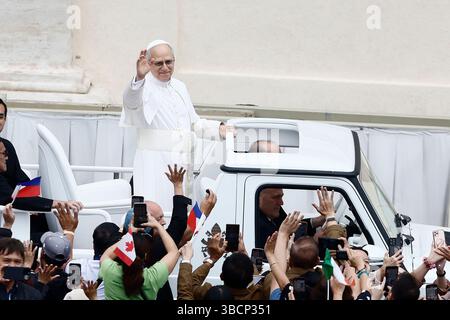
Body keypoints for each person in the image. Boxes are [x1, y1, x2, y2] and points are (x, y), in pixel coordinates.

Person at [120, 39, 230, 211]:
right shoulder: (143, 85)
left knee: (181, 212)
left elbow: (193, 123)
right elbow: (131, 104)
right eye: (158, 63)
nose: (165, 67)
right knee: (158, 211)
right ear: (149, 63)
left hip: (183, 163)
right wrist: (139, 77)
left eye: (169, 62)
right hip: (154, 164)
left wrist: (219, 129)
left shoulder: (180, 86)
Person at [99, 214, 179, 300]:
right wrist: (157, 225)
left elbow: (106, 255)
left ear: (123, 251)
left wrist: (129, 235)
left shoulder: (109, 271)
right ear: (146, 255)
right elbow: (174, 252)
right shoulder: (152, 277)